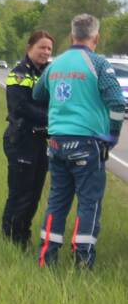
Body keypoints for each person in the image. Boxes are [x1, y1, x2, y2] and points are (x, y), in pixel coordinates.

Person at [34, 14, 125, 268]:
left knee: (57, 201)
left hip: (56, 142)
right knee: (89, 203)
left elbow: (37, 93)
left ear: (72, 35)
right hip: (87, 143)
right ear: (96, 37)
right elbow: (118, 103)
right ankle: (82, 260)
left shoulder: (56, 64)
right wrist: (112, 134)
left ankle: (46, 258)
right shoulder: (97, 63)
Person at [1, 30, 54, 248]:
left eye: (50, 48)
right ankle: (10, 238)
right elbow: (20, 106)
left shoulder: (50, 73)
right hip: (21, 139)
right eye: (42, 47)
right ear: (29, 48)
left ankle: (23, 236)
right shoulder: (19, 73)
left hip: (40, 142)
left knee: (34, 195)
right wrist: (53, 117)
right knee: (20, 193)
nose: (46, 52)